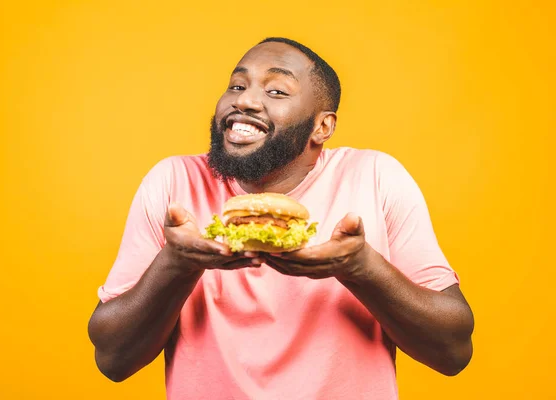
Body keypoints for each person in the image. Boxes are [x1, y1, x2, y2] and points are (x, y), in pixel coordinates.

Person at [88, 37, 474, 399]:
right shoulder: (174, 181)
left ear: (322, 127)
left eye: (276, 91)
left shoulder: (374, 176)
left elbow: (452, 352)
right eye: (237, 86)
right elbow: (113, 360)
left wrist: (361, 268)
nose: (246, 102)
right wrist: (175, 265)